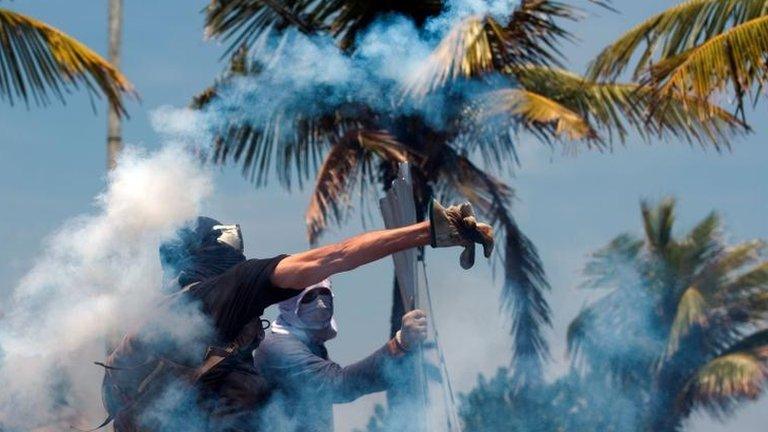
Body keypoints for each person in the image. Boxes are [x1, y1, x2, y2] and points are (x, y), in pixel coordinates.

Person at [100, 200, 492, 431]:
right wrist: (429, 232)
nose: (321, 303)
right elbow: (335, 256)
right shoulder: (223, 292)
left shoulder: (160, 317)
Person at [253, 279, 428, 432]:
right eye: (310, 296)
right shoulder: (279, 349)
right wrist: (399, 345)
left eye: (324, 293)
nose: (320, 303)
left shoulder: (308, 344)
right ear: (290, 302)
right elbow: (339, 385)